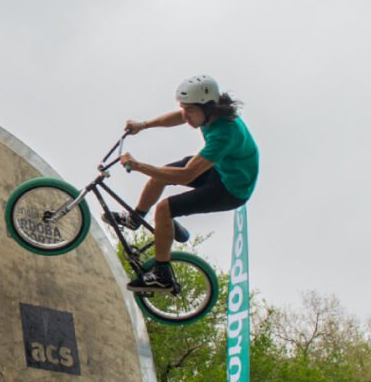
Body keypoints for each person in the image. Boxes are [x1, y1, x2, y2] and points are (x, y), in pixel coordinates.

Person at [106, 74, 259, 292]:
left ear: (207, 108)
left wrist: (138, 166)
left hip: (232, 189)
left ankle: (162, 275)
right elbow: (178, 117)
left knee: (164, 209)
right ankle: (135, 218)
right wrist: (144, 125)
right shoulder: (207, 114)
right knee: (160, 176)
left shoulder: (225, 135)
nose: (186, 117)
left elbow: (186, 175)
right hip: (221, 169)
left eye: (190, 111)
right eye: (184, 109)